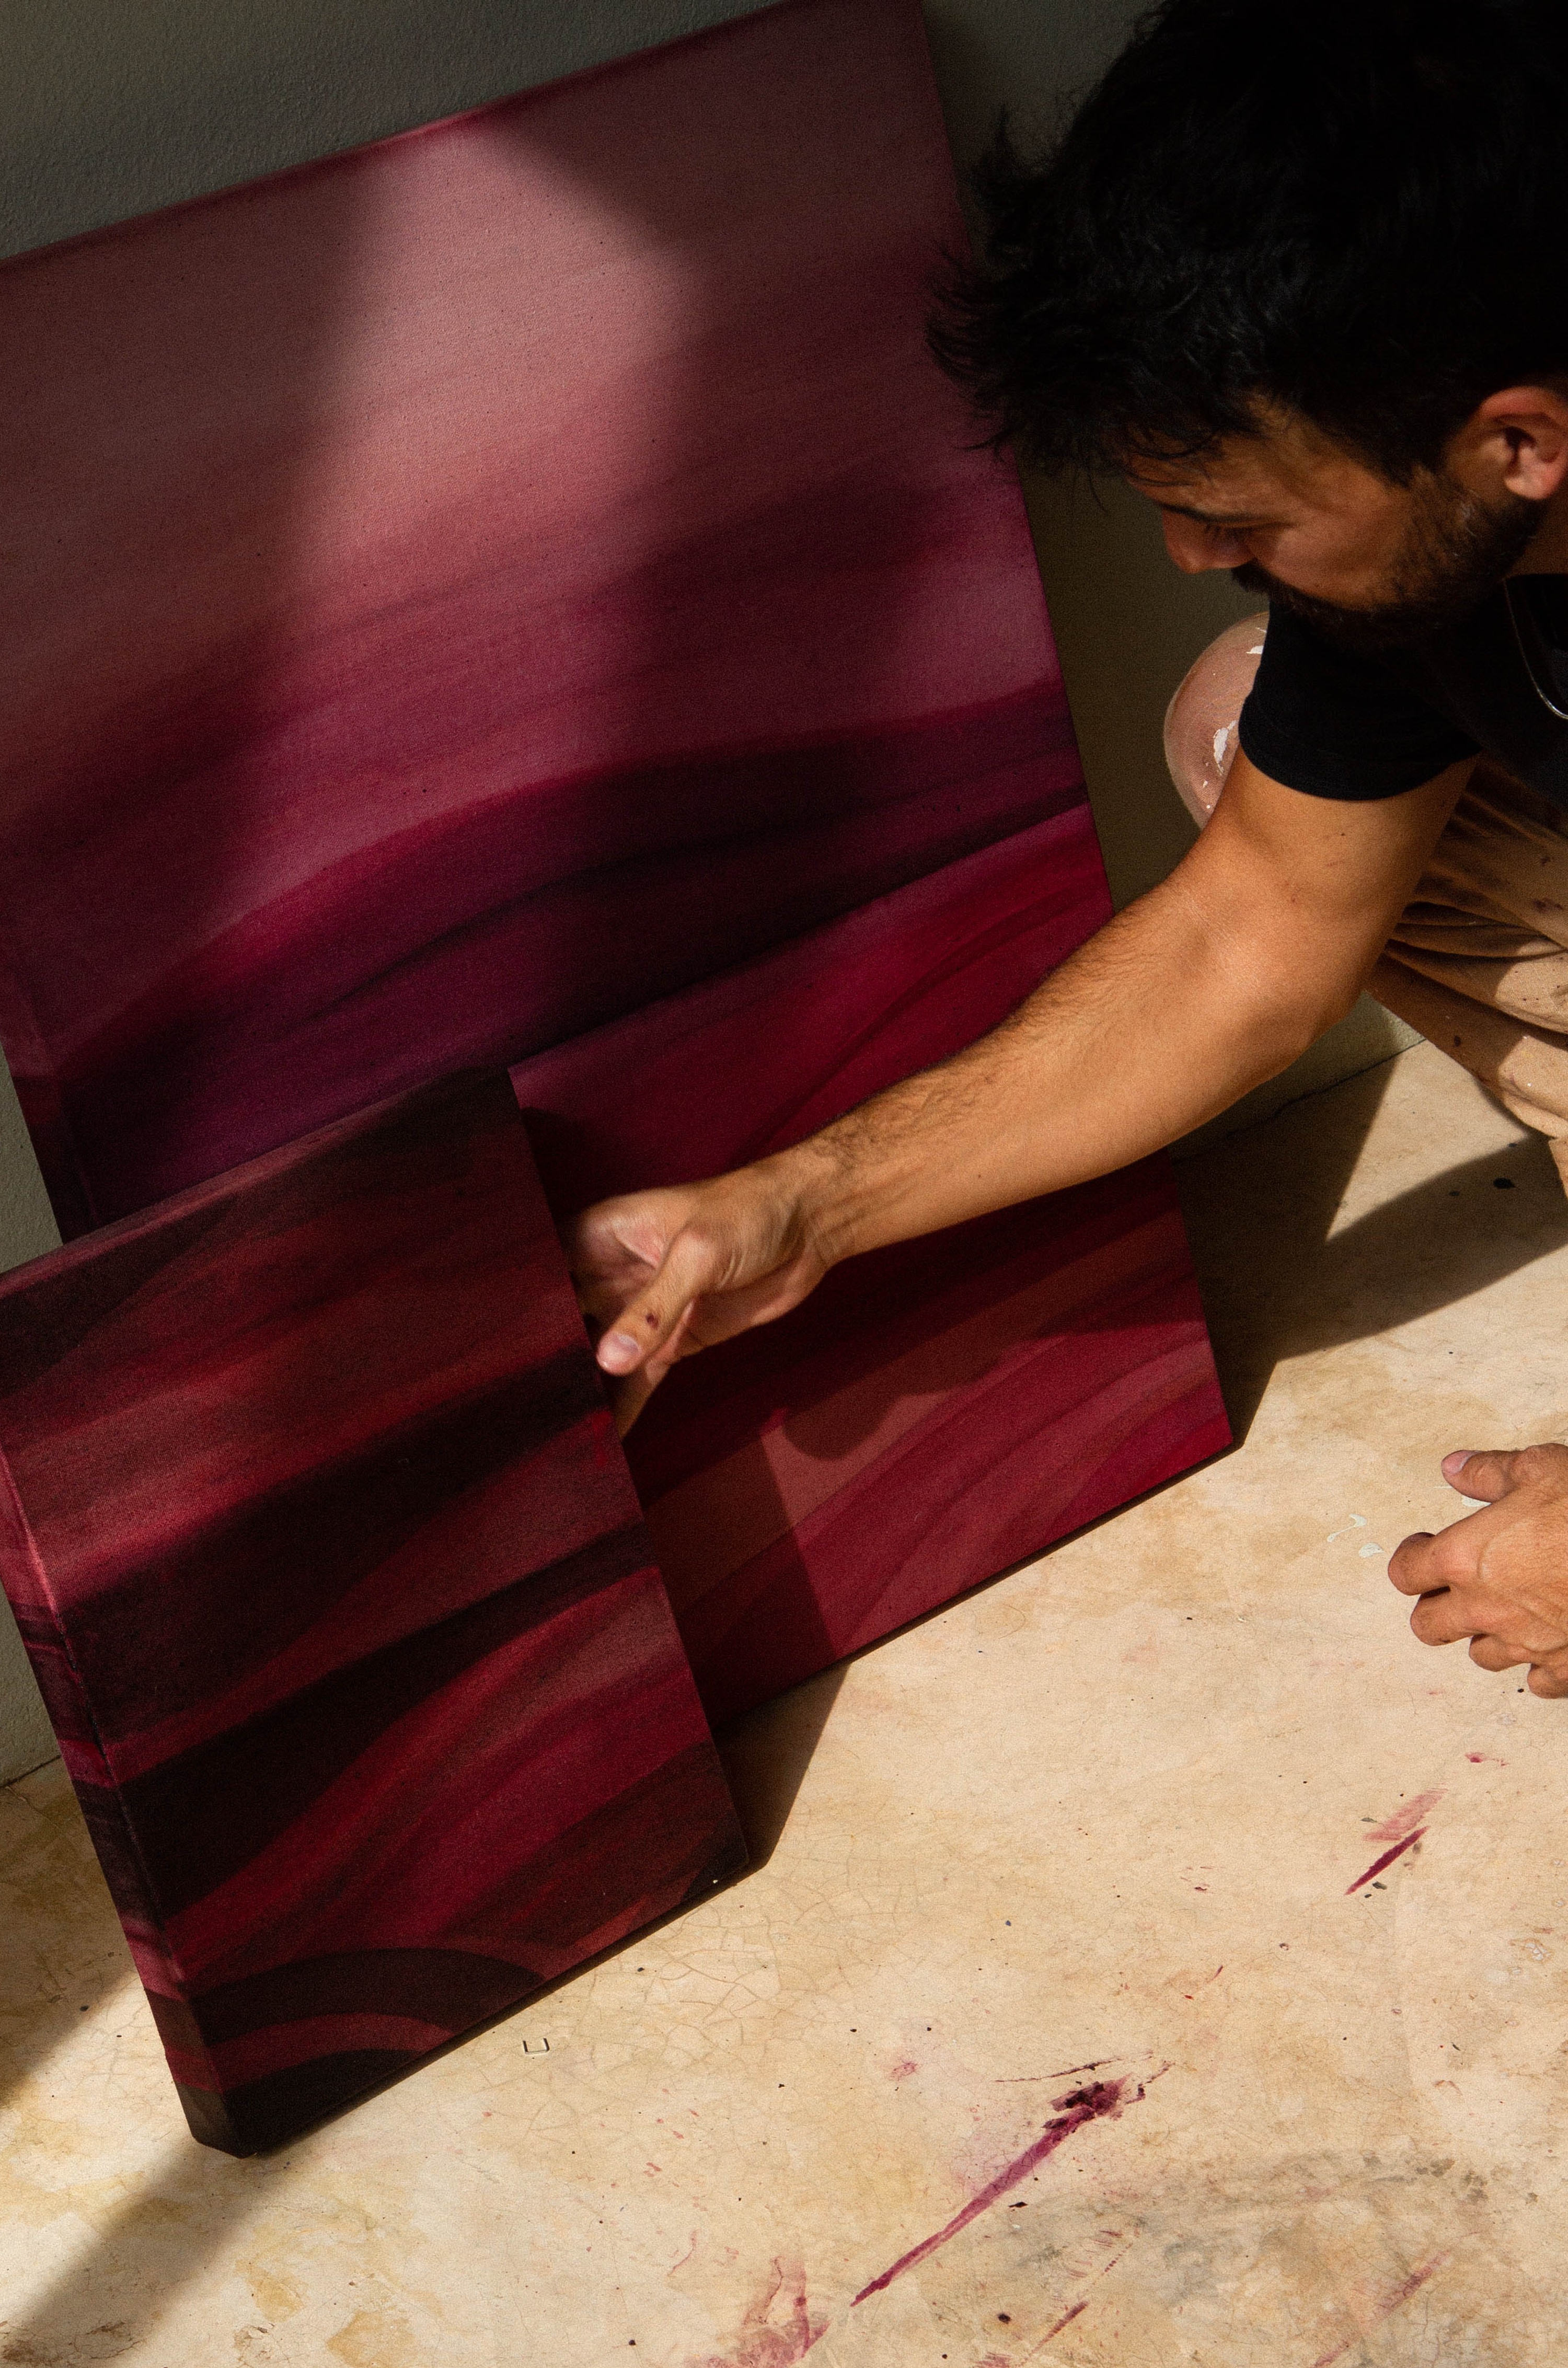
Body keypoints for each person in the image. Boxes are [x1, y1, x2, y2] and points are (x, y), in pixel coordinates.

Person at [567, 0, 1568, 1693]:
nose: (1187, 553)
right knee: (1239, 717)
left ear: (1518, 442)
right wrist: (806, 1205)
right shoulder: (1427, 558)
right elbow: (1249, 942)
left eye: (1242, 514)